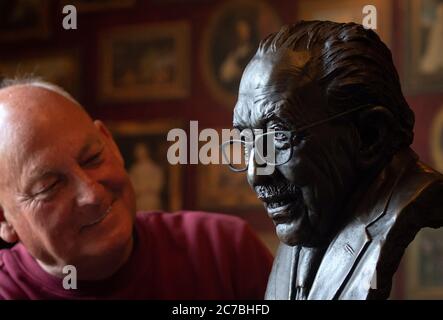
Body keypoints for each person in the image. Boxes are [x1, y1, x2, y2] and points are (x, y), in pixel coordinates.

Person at [225, 21, 443, 299]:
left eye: (279, 135)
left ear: (369, 136)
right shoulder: (311, 214)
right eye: (246, 140)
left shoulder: (406, 208)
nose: (256, 173)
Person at [0, 79, 273, 299]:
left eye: (93, 158)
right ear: (3, 217)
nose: (92, 194)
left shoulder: (222, 250)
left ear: (111, 144)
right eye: (49, 186)